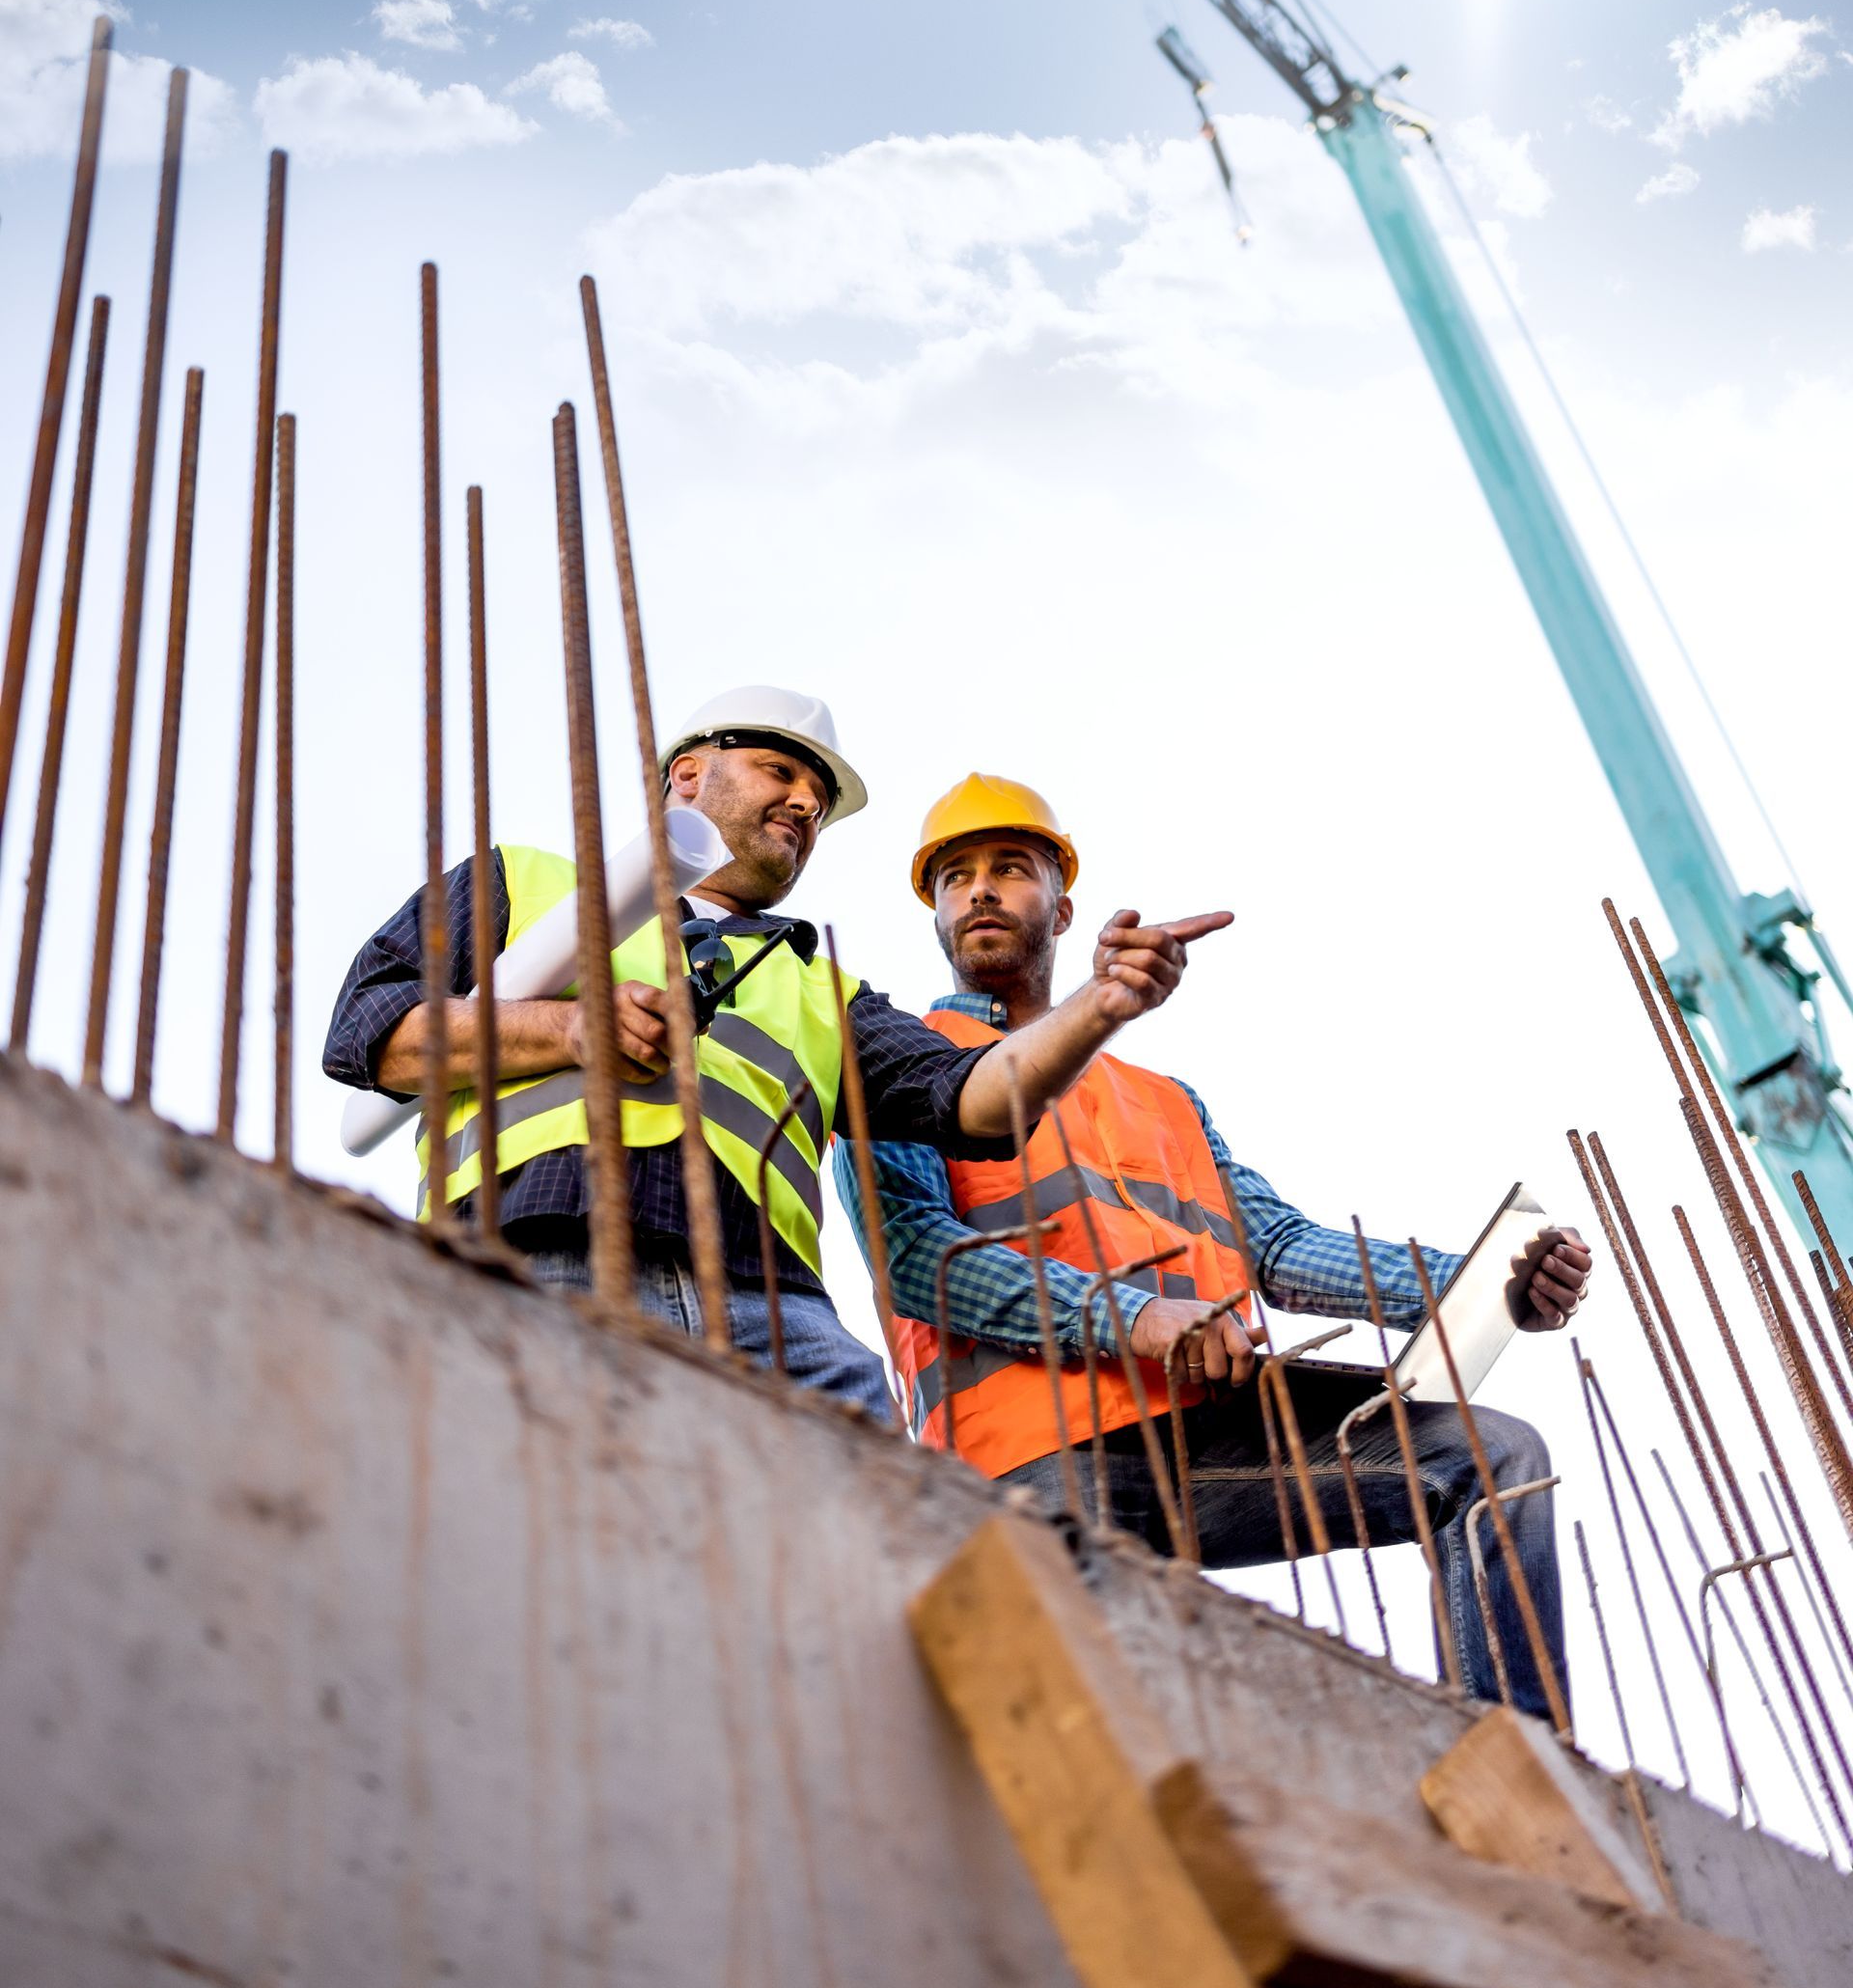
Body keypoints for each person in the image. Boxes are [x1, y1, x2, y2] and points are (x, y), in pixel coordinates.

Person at [834, 773, 1592, 1715]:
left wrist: (1482, 1280)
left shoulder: (1165, 1098)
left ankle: (1526, 1766)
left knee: (1491, 1458)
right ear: (935, 911)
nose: (979, 890)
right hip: (1033, 1464)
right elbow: (919, 1260)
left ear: (1063, 905)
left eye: (1008, 869)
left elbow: (1275, 1247)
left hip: (1204, 1433)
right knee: (1124, 1734)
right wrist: (1139, 1319)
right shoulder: (908, 1070)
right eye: (955, 877)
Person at [324, 695, 1230, 1423]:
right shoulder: (523, 885)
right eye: (781, 771)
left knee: (872, 1543)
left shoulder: (820, 985)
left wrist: (1099, 1006)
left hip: (779, 1313)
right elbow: (371, 1036)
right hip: (543, 1251)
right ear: (688, 774)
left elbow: (981, 1103)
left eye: (818, 799)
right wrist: (565, 1033)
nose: (805, 802)